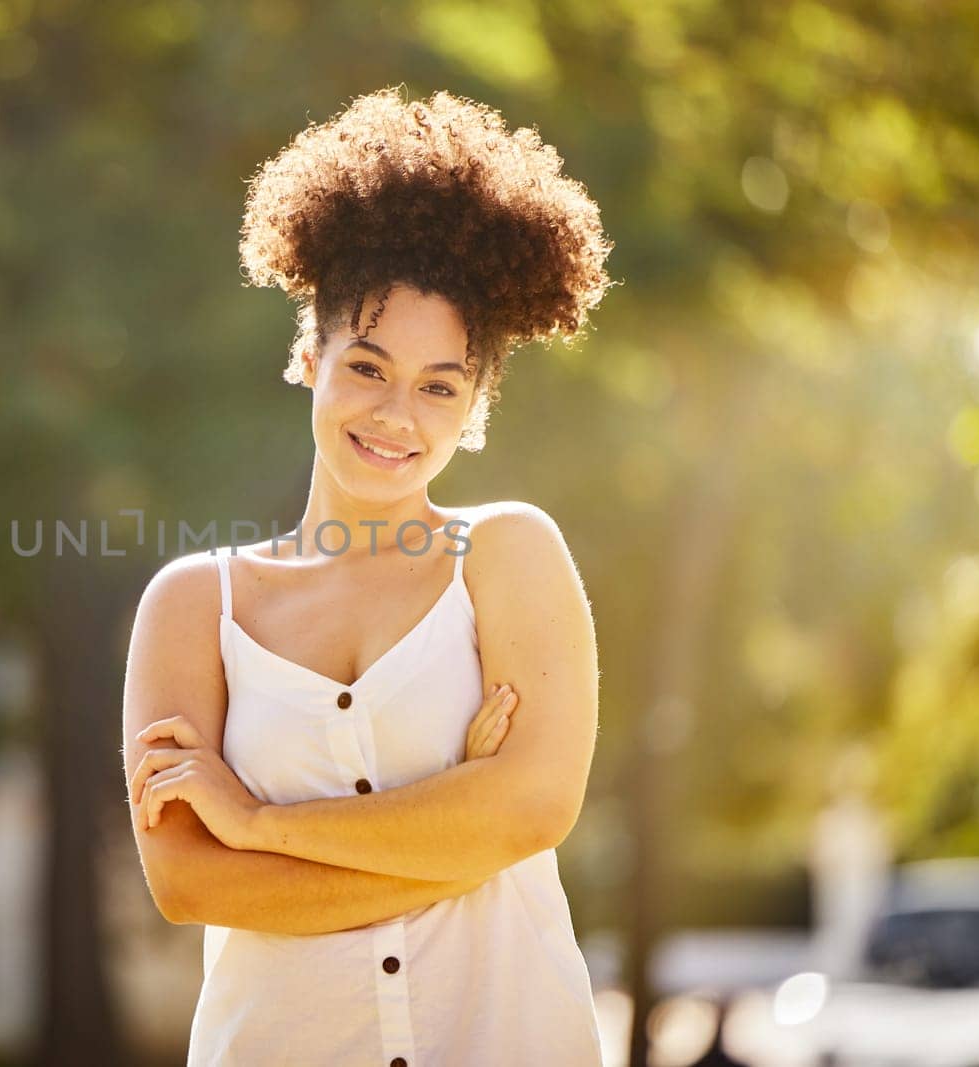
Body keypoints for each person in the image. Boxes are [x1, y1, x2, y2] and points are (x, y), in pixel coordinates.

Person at [121, 86, 614, 1066]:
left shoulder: (507, 553)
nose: (397, 414)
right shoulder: (192, 605)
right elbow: (189, 883)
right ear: (310, 356)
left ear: (474, 408)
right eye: (368, 365)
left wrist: (258, 822)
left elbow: (532, 810)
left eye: (440, 386)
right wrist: (457, 832)